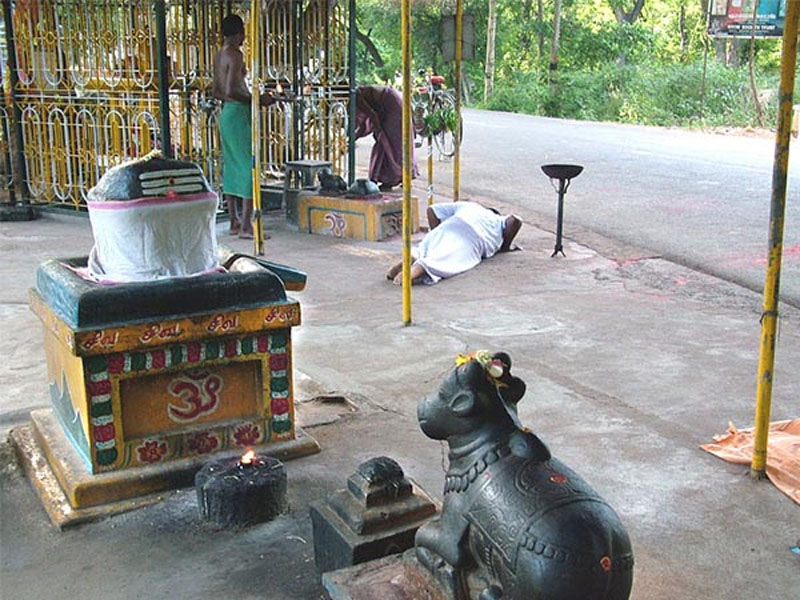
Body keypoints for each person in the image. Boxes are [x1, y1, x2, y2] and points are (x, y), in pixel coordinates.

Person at [212, 14, 279, 238]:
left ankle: (234, 220)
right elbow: (232, 90)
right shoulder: (235, 54)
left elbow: (218, 91)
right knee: (251, 166)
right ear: (239, 32)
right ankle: (247, 225)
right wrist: (257, 100)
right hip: (239, 114)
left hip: (226, 114)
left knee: (232, 166)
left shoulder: (219, 55)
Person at [386, 201, 522, 285]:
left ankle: (414, 257)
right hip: (474, 236)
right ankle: (416, 270)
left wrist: (436, 232)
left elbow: (432, 210)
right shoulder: (497, 219)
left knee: (426, 249)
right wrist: (505, 246)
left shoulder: (468, 206)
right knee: (448, 261)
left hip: (449, 225)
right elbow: (515, 220)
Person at [355, 85, 419, 191]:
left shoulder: (357, 96)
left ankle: (391, 179)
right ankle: (401, 177)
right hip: (392, 102)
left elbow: (372, 117)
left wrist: (354, 137)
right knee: (392, 142)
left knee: (389, 142)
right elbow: (366, 123)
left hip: (392, 105)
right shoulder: (359, 94)